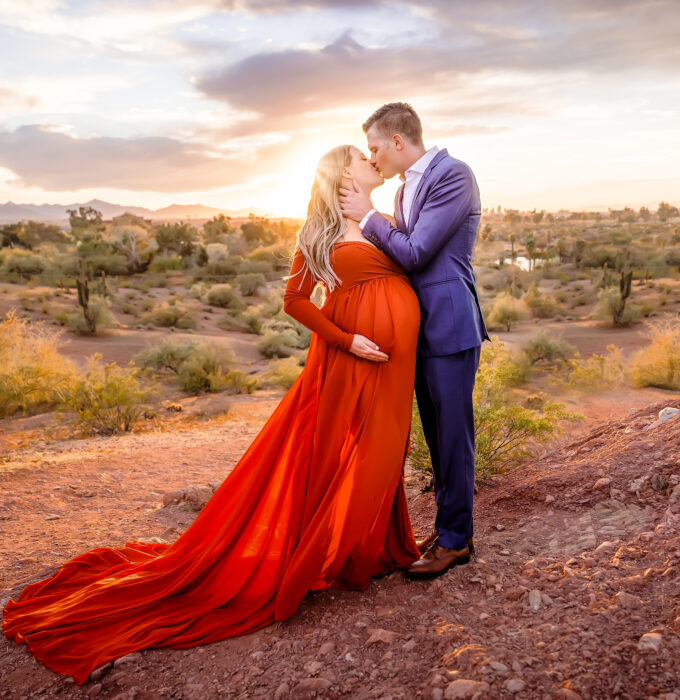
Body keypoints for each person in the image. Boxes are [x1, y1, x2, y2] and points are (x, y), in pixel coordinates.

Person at [2, 144, 423, 685]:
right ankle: (316, 554)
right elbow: (295, 302)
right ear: (346, 172)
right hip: (348, 358)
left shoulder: (386, 222)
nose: (374, 160)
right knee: (340, 450)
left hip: (395, 361)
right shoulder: (318, 233)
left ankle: (371, 547)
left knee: (388, 446)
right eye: (364, 156)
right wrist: (347, 340)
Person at [340, 102, 489, 578]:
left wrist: (367, 216)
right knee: (436, 434)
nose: (374, 157)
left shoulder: (453, 175)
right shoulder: (406, 189)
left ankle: (456, 542)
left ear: (398, 142)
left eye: (376, 147)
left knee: (453, 437)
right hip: (420, 331)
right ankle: (449, 529)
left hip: (448, 325)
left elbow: (417, 252)